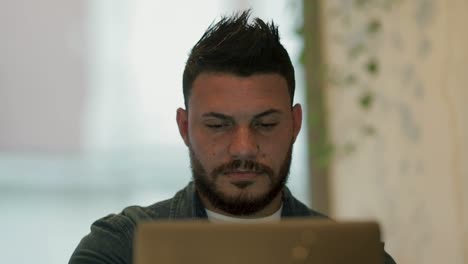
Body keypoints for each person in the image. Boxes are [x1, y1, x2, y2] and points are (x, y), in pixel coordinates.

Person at [69, 10, 396, 264]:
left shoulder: (351, 258)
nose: (243, 148)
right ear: (184, 128)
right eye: (218, 126)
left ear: (295, 124)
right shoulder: (121, 249)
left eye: (265, 125)